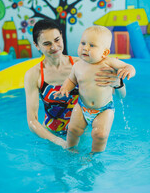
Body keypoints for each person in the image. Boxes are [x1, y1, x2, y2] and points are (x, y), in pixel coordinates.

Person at [24, 20, 126, 149]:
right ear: (37, 45)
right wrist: (58, 141)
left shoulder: (84, 64)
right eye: (47, 44)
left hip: (83, 134)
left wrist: (118, 83)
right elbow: (32, 121)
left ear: (62, 36)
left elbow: (119, 97)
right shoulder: (34, 74)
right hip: (52, 136)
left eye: (57, 40)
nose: (54, 47)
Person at [54, 25, 136, 152]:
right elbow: (71, 80)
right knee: (72, 129)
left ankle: (95, 155)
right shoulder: (77, 66)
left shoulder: (108, 63)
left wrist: (129, 70)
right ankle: (70, 149)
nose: (85, 48)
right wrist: (65, 89)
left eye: (92, 45)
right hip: (82, 107)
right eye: (83, 43)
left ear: (104, 53)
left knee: (100, 135)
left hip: (104, 109)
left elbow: (128, 66)